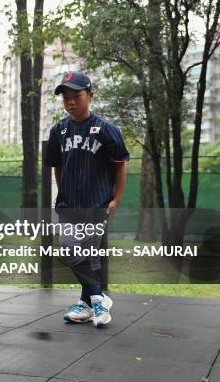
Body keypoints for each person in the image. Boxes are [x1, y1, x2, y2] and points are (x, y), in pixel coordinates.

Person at [44, 71, 129, 327]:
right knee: (72, 249)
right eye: (66, 97)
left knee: (84, 254)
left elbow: (120, 164)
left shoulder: (106, 130)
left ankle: (89, 301)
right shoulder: (58, 130)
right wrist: (63, 192)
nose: (70, 101)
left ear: (90, 95)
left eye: (76, 96)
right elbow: (57, 166)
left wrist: (117, 198)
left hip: (97, 202)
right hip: (70, 204)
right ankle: (95, 298)